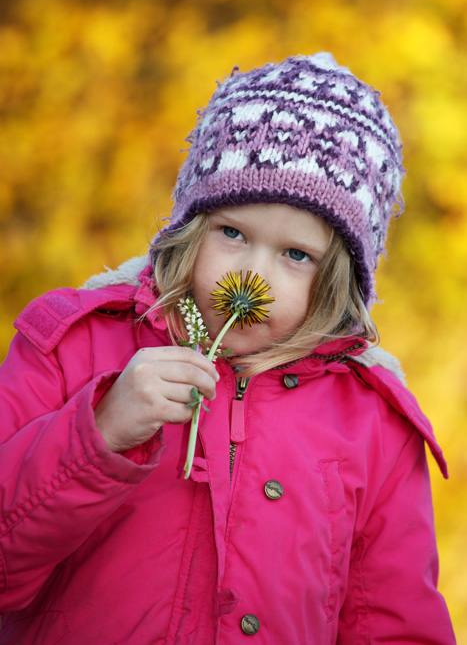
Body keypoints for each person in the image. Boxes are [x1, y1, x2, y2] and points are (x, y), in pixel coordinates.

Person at [0, 53, 456, 644]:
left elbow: (393, 623)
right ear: (192, 225)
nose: (254, 276)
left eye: (296, 255)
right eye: (233, 233)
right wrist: (101, 432)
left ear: (337, 279)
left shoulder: (371, 421)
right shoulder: (75, 343)